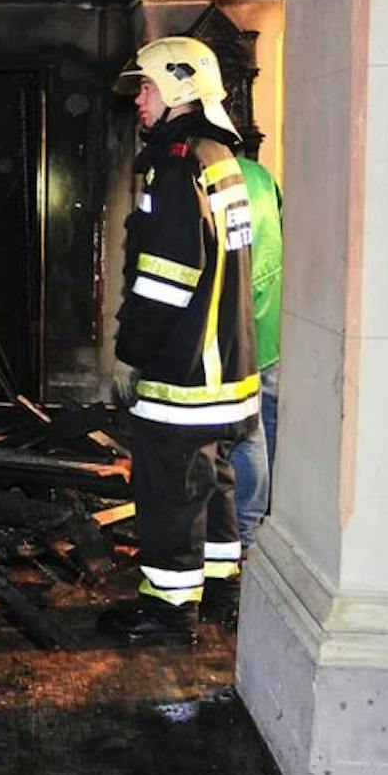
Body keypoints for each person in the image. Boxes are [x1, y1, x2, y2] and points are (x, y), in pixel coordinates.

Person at [100, 36, 261, 646]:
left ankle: (167, 612)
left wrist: (133, 349)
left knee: (170, 489)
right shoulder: (220, 156)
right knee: (212, 479)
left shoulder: (176, 161)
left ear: (178, 87)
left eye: (145, 86)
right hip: (227, 364)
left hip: (184, 368)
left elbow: (167, 277)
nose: (137, 99)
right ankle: (219, 589)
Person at [230, 154, 283, 551]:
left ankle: (245, 533)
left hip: (241, 323)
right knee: (266, 418)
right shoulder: (260, 176)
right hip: (271, 319)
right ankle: (264, 519)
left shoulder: (209, 174)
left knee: (248, 432)